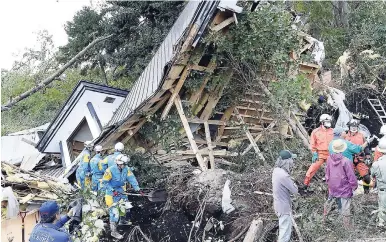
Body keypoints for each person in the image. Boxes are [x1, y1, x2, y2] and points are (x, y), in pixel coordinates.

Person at [102, 154, 142, 239]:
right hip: (110, 192)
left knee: (125, 206)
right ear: (118, 163)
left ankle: (123, 221)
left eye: (125, 164)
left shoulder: (126, 169)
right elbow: (104, 182)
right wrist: (112, 190)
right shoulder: (110, 170)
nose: (124, 165)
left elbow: (131, 178)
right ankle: (113, 232)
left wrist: (137, 188)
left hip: (120, 190)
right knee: (114, 212)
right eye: (123, 164)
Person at [323, 139, 358, 229]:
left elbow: (327, 172)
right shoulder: (346, 161)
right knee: (345, 206)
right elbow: (351, 176)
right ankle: (346, 228)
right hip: (344, 187)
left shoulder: (329, 159)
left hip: (333, 186)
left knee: (329, 202)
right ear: (343, 149)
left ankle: (324, 220)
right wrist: (354, 186)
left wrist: (328, 182)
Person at [272, 150, 298, 242]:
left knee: (285, 230)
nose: (293, 162)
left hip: (278, 205)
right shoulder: (284, 175)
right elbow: (295, 190)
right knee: (285, 232)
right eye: (291, 160)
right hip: (283, 207)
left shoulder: (276, 171)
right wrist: (292, 181)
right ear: (287, 162)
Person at [304, 114, 334, 187]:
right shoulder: (315, 132)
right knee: (312, 169)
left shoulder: (333, 131)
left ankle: (331, 187)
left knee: (333, 171)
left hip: (331, 154)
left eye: (329, 121)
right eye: (327, 121)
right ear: (322, 122)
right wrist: (314, 153)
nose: (329, 123)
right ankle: (305, 185)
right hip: (319, 154)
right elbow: (312, 144)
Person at [370, 138, 386, 227]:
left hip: (382, 189)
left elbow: (372, 175)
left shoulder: (376, 164)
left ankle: (381, 223)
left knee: (382, 207)